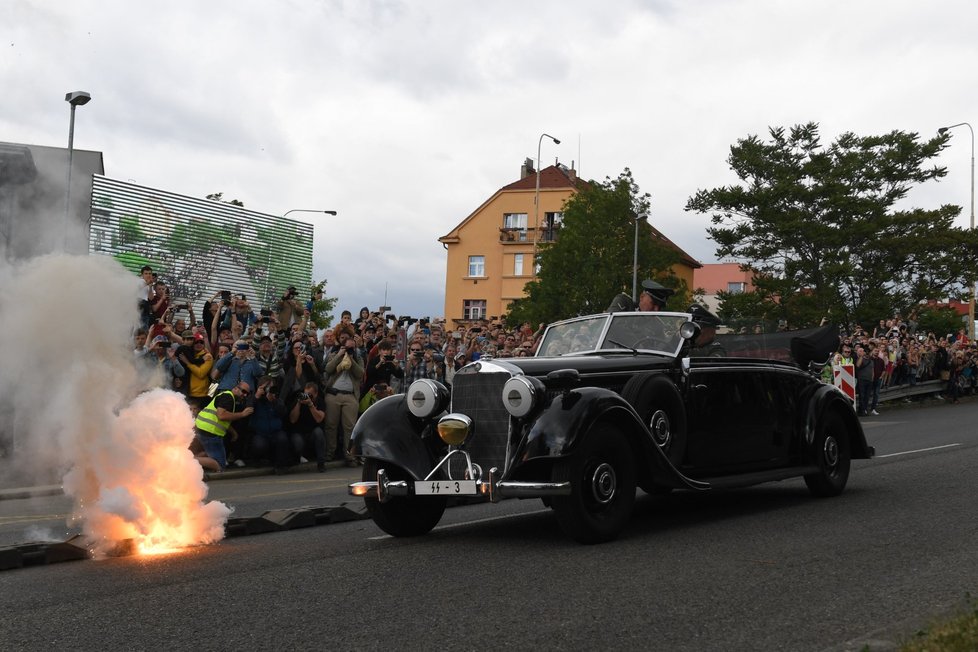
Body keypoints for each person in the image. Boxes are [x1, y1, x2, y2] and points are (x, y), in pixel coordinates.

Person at [193, 381, 254, 472]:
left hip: (203, 429)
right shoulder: (228, 397)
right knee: (220, 465)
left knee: (209, 453)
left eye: (247, 394)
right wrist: (242, 414)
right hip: (210, 433)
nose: (244, 395)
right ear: (235, 388)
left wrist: (233, 433)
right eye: (243, 391)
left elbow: (223, 419)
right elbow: (221, 416)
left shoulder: (227, 396)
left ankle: (190, 459)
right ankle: (187, 460)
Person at [323, 335, 364, 466]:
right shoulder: (335, 354)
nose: (350, 350)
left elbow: (360, 374)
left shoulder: (358, 358)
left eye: (352, 347)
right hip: (333, 395)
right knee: (331, 425)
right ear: (342, 346)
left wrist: (352, 360)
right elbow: (328, 369)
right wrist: (339, 355)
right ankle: (329, 453)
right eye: (348, 347)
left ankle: (349, 455)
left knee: (350, 427)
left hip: (350, 396)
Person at [287, 381, 327, 472]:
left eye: (310, 395)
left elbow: (319, 419)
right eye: (306, 394)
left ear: (316, 394)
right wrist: (298, 404)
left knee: (319, 432)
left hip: (312, 433)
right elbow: (293, 419)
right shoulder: (298, 400)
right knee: (297, 441)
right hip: (299, 432)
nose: (307, 397)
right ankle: (296, 459)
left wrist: (311, 405)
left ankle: (321, 463)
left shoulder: (320, 402)